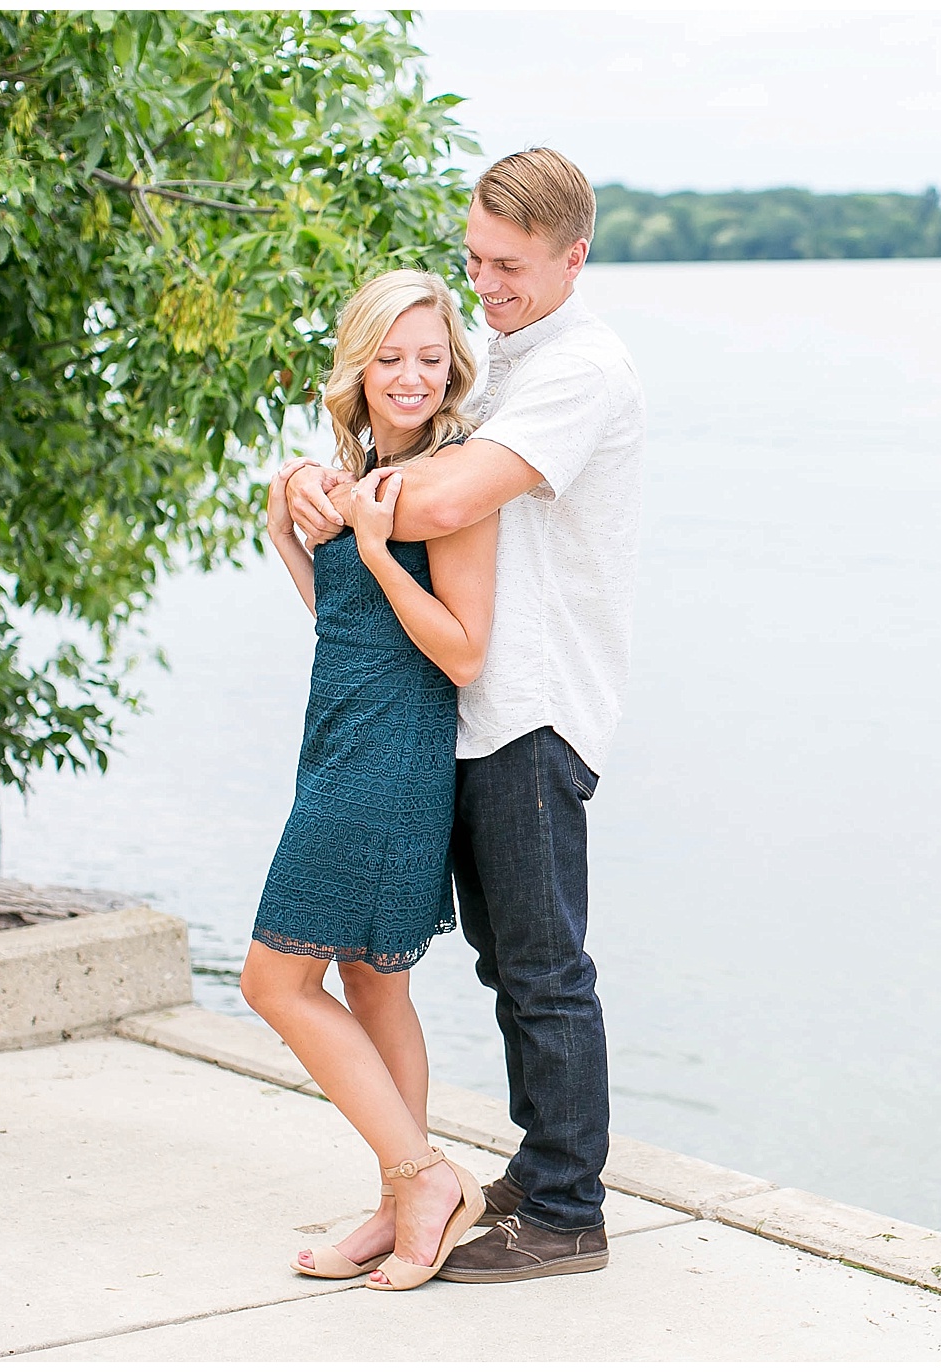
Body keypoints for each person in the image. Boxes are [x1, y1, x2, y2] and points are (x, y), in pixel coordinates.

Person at [284, 147, 644, 1284]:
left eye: (510, 264)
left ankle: (565, 1207)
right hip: (462, 715)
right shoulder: (499, 366)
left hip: (531, 708)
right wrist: (309, 484)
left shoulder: (580, 370)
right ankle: (495, 1179)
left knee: (543, 969)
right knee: (502, 964)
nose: (485, 283)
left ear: (572, 256)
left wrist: (330, 497)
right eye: (475, 259)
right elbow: (418, 448)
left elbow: (440, 493)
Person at [242, 269, 501, 1293]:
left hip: (391, 759)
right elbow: (348, 629)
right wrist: (288, 535)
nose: (411, 376)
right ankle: (400, 1206)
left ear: (453, 369)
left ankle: (422, 1176)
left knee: (273, 979)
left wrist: (384, 551)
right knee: (370, 982)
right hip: (340, 740)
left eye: (430, 359)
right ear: (358, 366)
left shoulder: (453, 480)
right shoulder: (360, 468)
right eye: (391, 357)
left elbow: (462, 653)